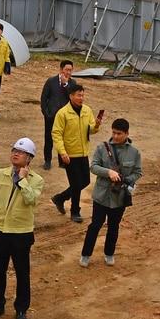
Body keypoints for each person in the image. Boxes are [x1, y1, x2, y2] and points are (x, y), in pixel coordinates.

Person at [0, 137, 44, 319]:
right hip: (0, 231)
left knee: (22, 273)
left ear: (29, 158)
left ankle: (21, 309)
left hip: (21, 233)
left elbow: (31, 200)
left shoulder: (37, 180)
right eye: (14, 150)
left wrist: (23, 181)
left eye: (21, 152)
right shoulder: (0, 174)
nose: (16, 153)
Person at [82, 118, 143, 267]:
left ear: (127, 133)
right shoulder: (102, 148)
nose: (115, 136)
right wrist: (108, 172)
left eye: (119, 133)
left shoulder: (134, 153)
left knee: (114, 226)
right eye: (114, 133)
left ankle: (109, 254)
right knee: (95, 225)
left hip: (119, 197)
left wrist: (126, 180)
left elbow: (138, 172)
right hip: (101, 196)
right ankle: (86, 255)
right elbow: (94, 166)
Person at [50, 82, 101, 223]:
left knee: (84, 181)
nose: (81, 98)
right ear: (71, 96)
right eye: (79, 95)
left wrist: (96, 125)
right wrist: (62, 152)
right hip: (69, 155)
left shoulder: (87, 111)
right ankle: (75, 211)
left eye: (83, 95)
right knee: (76, 183)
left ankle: (60, 198)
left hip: (83, 153)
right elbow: (56, 133)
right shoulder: (63, 113)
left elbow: (90, 130)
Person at [38, 60, 74, 170]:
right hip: (51, 115)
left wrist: (65, 85)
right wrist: (45, 112)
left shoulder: (72, 83)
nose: (69, 72)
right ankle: (47, 160)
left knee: (63, 139)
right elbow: (44, 98)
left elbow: (73, 98)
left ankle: (61, 161)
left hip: (65, 117)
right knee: (48, 138)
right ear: (61, 69)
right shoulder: (51, 81)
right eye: (67, 70)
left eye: (70, 70)